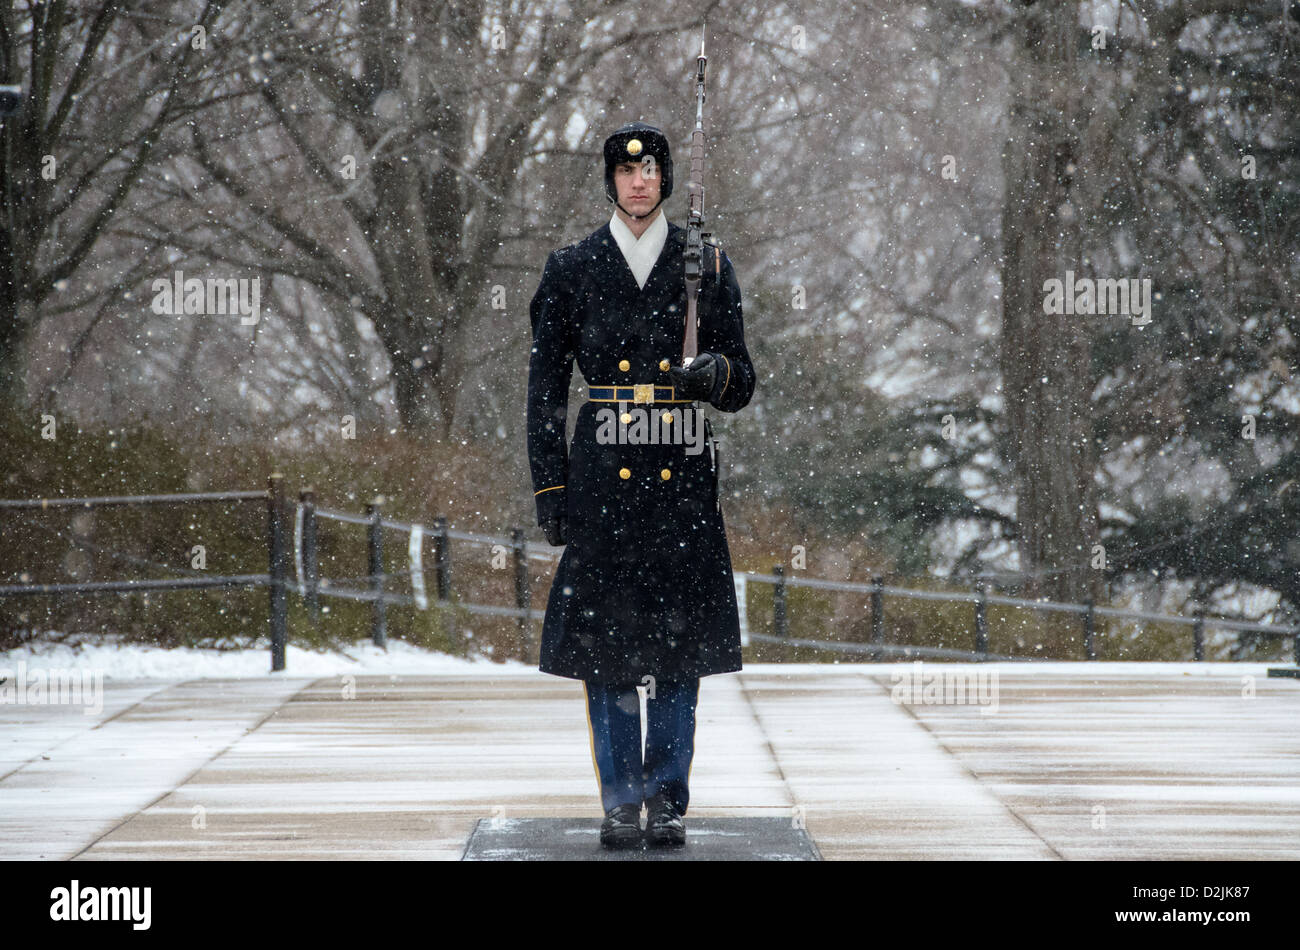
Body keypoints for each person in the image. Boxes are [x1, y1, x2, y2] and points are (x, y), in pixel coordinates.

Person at [526, 120, 756, 848]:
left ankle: (668, 798)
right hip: (603, 479)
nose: (639, 180)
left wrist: (714, 375)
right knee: (610, 649)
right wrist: (551, 487)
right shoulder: (572, 267)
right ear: (611, 181)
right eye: (627, 171)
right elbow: (543, 390)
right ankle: (622, 797)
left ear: (664, 178)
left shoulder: (706, 267)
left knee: (679, 650)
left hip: (680, 474)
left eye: (651, 168)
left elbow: (742, 378)